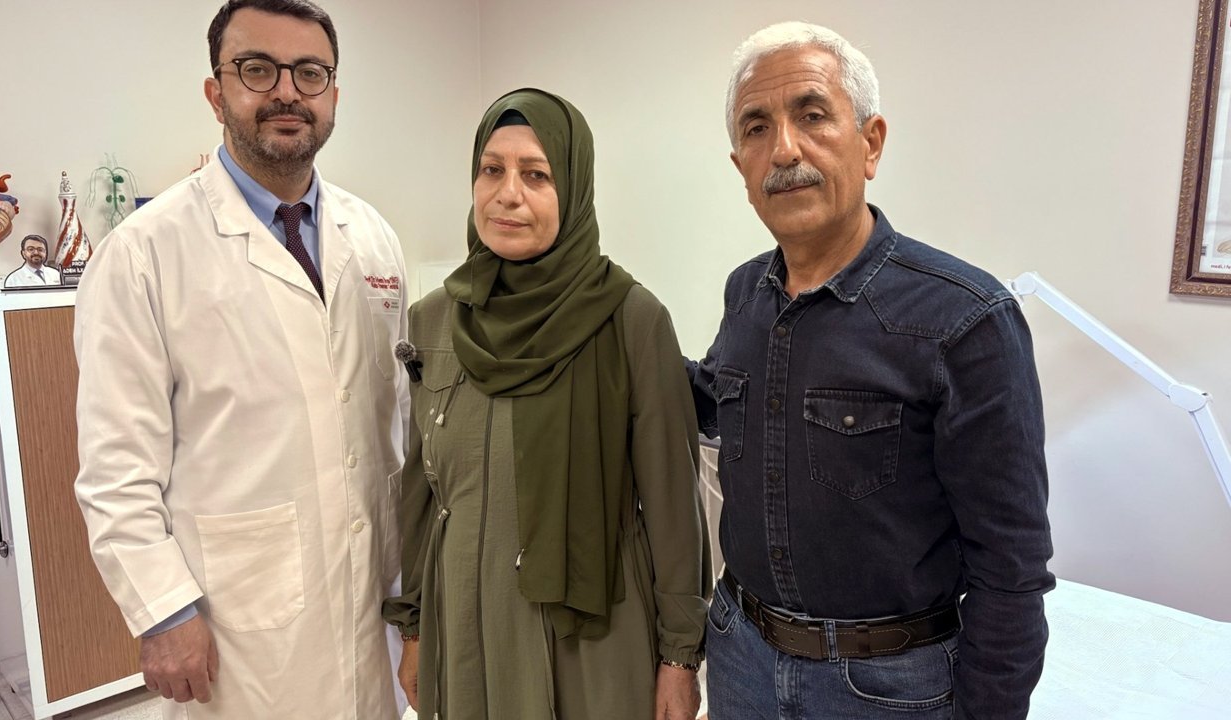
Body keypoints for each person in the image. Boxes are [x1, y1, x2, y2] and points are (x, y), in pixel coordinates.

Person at [690, 21, 1055, 719]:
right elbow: (717, 403)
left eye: (812, 114)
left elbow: (1011, 571)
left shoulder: (965, 318)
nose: (784, 149)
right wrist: (614, 338)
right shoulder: (745, 292)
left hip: (887, 687)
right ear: (741, 168)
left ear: (871, 143)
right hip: (739, 659)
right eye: (757, 128)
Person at [73, 1, 408, 718]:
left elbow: (397, 426)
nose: (287, 91)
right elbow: (115, 469)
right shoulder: (144, 253)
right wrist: (163, 612)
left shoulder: (373, 237)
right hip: (237, 620)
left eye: (310, 73)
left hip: (372, 597)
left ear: (334, 95)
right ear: (216, 91)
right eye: (258, 69)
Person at [382, 89, 710, 720]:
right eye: (492, 170)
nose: (508, 194)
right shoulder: (435, 320)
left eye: (536, 175)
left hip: (591, 635)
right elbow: (422, 495)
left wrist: (679, 657)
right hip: (467, 622)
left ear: (575, 189)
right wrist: (415, 629)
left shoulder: (630, 319)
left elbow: (674, 507)